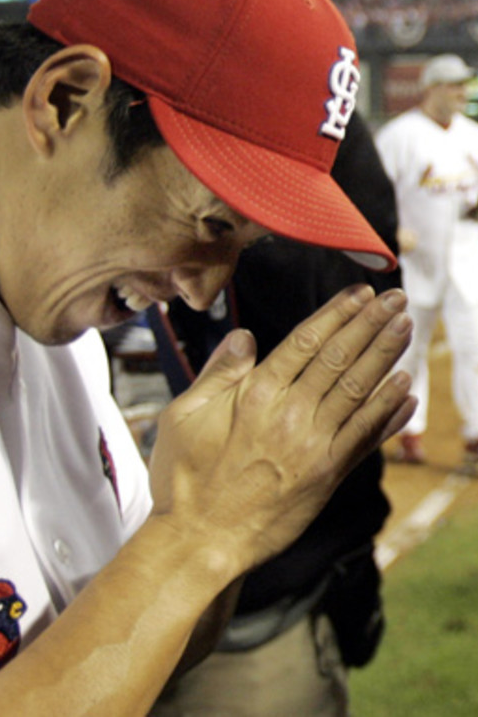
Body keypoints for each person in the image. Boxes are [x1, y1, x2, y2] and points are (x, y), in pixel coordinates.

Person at [0, 0, 415, 714]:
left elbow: (137, 648)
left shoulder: (49, 305)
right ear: (64, 99)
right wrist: (201, 534)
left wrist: (225, 526)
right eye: (210, 223)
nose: (202, 290)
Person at [146, 112, 400, 717]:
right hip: (51, 619)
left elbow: (352, 368)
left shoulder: (326, 126)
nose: (201, 285)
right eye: (212, 224)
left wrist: (344, 558)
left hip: (249, 615)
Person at [375, 53, 478, 466]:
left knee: (474, 351)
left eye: (464, 85)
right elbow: (372, 194)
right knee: (410, 353)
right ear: (431, 88)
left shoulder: (476, 136)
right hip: (416, 265)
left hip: (468, 263)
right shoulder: (398, 136)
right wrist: (391, 229)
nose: (462, 92)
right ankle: (409, 434)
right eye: (454, 85)